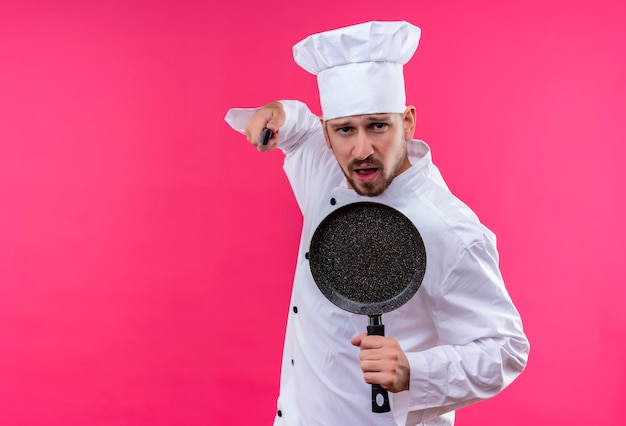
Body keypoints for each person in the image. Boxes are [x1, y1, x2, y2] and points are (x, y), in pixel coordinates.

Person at [224, 21, 529, 426]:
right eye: (345, 130)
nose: (362, 150)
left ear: (408, 122)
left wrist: (415, 372)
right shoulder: (328, 169)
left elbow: (505, 349)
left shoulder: (450, 230)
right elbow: (297, 128)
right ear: (328, 135)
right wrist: (279, 111)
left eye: (378, 126)